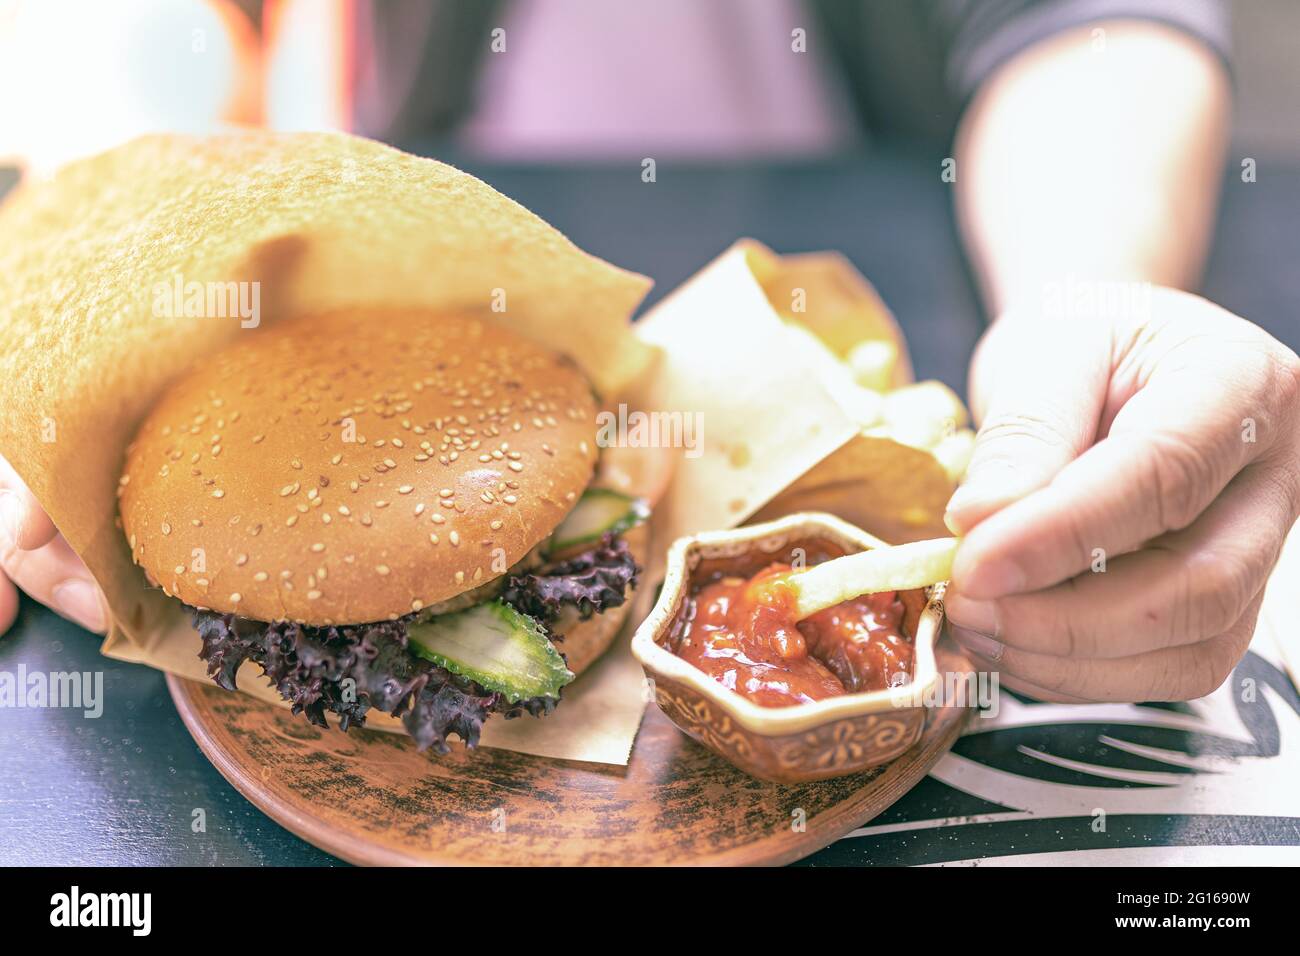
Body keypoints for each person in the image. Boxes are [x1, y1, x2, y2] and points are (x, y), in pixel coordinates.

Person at [2, 0, 1297, 705]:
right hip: (370, 288)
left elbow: (1088, 26)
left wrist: (1079, 299)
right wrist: (77, 314)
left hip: (898, 261)